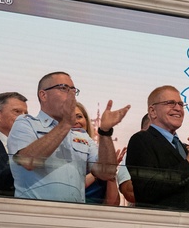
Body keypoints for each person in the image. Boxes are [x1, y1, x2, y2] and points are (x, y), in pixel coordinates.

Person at [8, 71, 129, 202]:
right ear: (43, 95)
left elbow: (106, 173)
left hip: (73, 218)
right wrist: (66, 123)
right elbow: (28, 161)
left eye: (73, 90)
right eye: (63, 88)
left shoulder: (81, 135)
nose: (71, 94)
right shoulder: (26, 123)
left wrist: (105, 132)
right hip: (35, 215)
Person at [126, 85, 189, 212]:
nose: (178, 108)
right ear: (153, 111)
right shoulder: (141, 140)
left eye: (181, 104)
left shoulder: (185, 149)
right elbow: (147, 191)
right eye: (170, 103)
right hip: (162, 225)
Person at [73, 102, 120, 206]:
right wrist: (97, 173)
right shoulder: (59, 152)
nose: (75, 121)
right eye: (69, 118)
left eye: (79, 117)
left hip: (96, 215)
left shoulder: (102, 155)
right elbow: (70, 189)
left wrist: (110, 172)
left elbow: (113, 204)